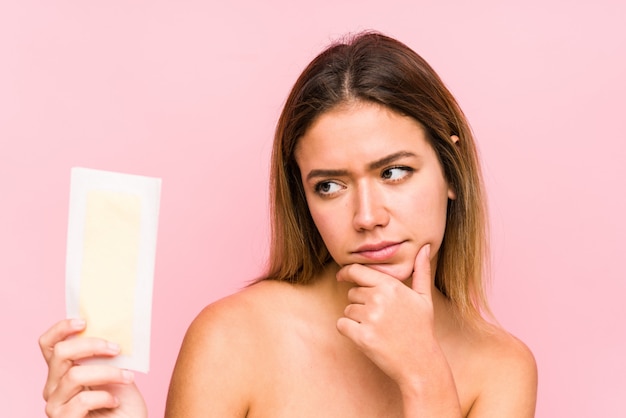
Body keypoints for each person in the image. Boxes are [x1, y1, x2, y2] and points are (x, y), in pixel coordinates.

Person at [39, 31, 538, 417]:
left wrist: (425, 376)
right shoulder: (234, 336)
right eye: (330, 185)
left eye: (393, 172)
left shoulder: (502, 369)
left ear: (450, 172)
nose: (367, 217)